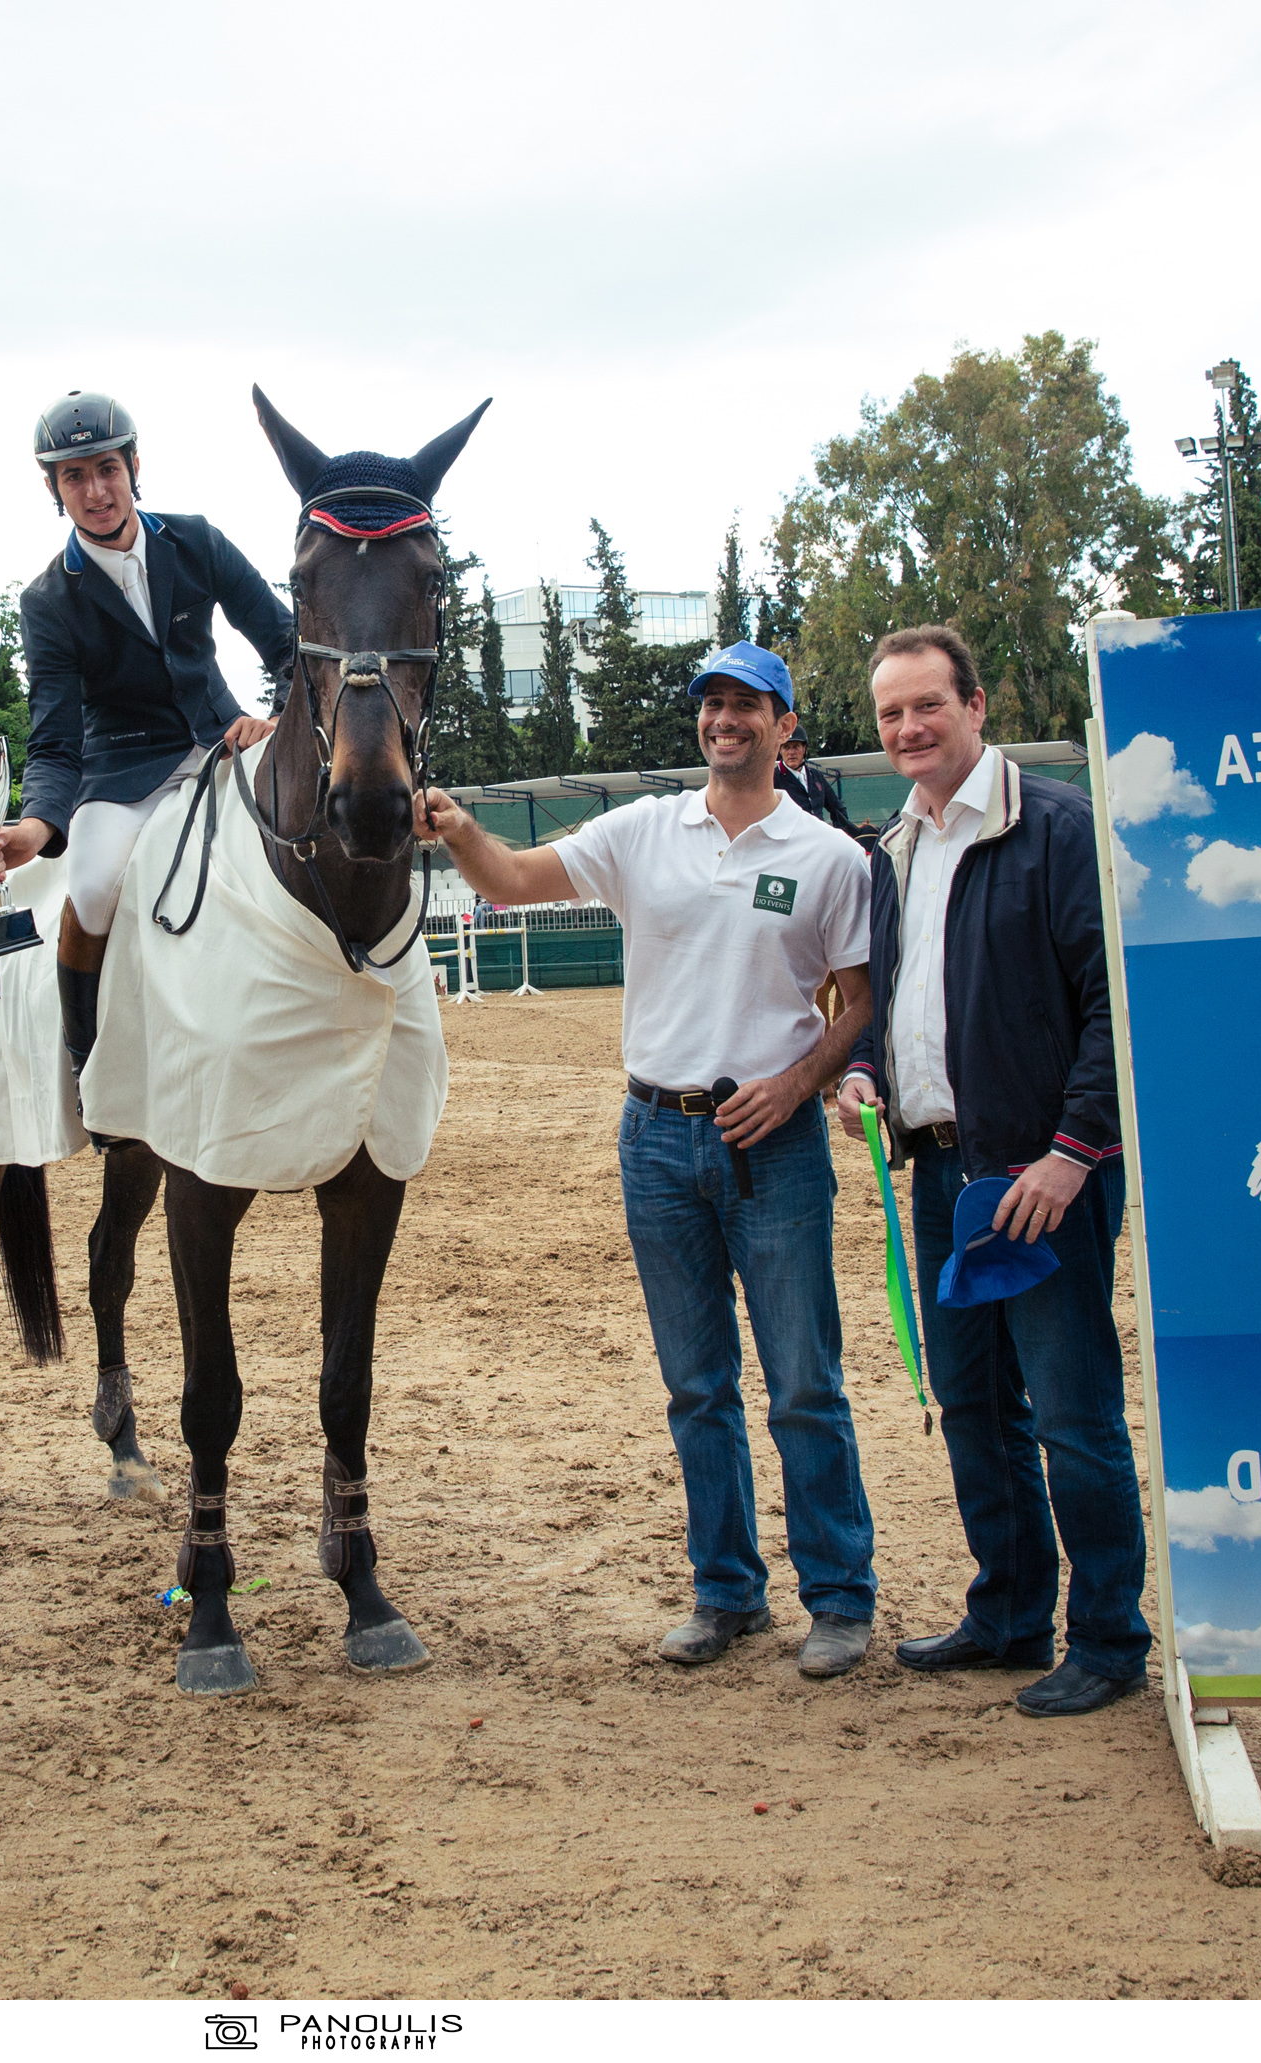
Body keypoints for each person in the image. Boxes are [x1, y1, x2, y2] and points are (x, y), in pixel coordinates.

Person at [419, 641, 881, 1678]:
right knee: (695, 1384)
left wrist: (797, 1083)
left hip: (776, 1142)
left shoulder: (828, 858)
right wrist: (457, 831)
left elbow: (861, 1003)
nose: (724, 720)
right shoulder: (640, 831)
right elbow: (514, 878)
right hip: (655, 1137)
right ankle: (726, 1592)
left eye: (745, 705)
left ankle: (840, 1597)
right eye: (711, 703)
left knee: (803, 1379)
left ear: (782, 725)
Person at [835, 624, 1147, 1718]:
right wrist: (863, 1068)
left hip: (1038, 1180)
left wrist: (1072, 1154)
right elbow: (891, 994)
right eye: (889, 714)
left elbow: (1116, 1004)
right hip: (938, 1174)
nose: (908, 728)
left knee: (1069, 1408)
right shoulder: (894, 847)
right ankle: (1011, 1611)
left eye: (927, 705)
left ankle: (1108, 1635)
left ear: (976, 704)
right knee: (970, 1399)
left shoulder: (1057, 829)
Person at [0, 391, 298, 1073]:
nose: (95, 490)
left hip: (225, 743)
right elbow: (56, 739)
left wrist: (276, 716)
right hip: (122, 768)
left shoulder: (197, 540)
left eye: (106, 468)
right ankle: (85, 1058)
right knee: (92, 886)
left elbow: (285, 643)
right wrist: (36, 828)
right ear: (53, 487)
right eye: (74, 476)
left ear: (132, 465)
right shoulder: (47, 601)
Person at [774, 734, 853, 834]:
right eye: (786, 747)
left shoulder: (816, 775)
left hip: (820, 838)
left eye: (796, 747)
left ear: (804, 749)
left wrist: (840, 833)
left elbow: (837, 808)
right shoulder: (773, 779)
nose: (791, 752)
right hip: (792, 842)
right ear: (780, 750)